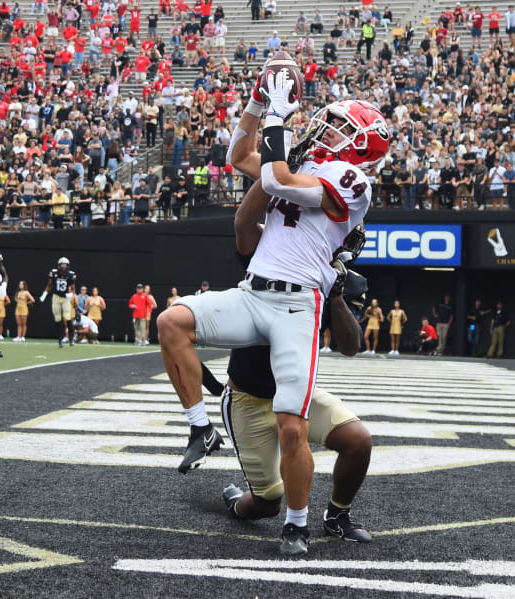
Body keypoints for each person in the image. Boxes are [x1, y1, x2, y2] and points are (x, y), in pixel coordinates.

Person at [159, 70, 388, 555]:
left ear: (361, 148)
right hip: (254, 294)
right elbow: (240, 159)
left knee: (299, 427)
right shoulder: (295, 185)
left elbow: (278, 179)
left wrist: (281, 116)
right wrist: (257, 102)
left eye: (341, 129)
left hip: (296, 303)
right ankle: (201, 428)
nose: (328, 130)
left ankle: (302, 525)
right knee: (171, 321)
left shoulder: (354, 181)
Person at [219, 202, 372, 542]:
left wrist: (334, 296)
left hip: (296, 394)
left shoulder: (345, 282)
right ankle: (236, 502)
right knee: (266, 503)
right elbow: (243, 224)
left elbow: (350, 347)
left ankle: (337, 514)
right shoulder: (271, 257)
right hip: (249, 396)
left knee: (358, 441)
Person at [39, 256, 77, 348]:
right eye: (62, 265)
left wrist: (71, 295)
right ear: (59, 265)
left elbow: (73, 288)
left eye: (65, 265)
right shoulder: (54, 273)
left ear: (67, 266)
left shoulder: (70, 275)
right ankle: (60, 340)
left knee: (68, 318)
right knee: (58, 319)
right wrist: (44, 294)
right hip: (56, 297)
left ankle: (71, 339)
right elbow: (50, 284)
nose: (63, 267)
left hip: (65, 298)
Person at [0, 273, 12, 340]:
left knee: (0, 323)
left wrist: (3, 305)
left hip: (1, 310)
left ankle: (0, 335)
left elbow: (8, 301)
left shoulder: (3, 291)